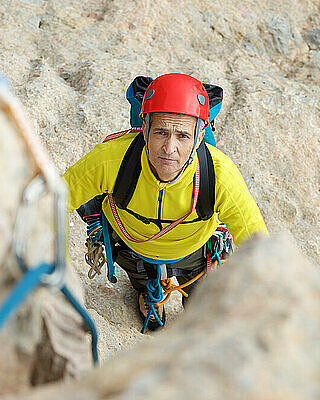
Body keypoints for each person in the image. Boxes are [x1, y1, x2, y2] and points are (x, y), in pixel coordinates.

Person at [63, 73, 268, 331]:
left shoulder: (220, 176)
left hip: (194, 252)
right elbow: (50, 202)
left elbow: (260, 246)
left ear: (200, 135)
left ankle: (188, 298)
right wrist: (62, 271)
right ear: (144, 128)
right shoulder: (110, 161)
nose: (169, 148)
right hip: (131, 248)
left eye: (182, 136)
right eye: (161, 132)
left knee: (206, 314)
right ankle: (147, 288)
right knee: (142, 273)